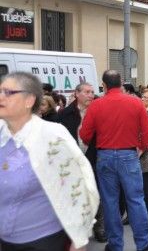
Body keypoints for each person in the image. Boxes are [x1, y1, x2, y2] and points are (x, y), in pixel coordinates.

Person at [0, 72, 99, 250]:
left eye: (8, 92)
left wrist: (79, 239)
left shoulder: (52, 135)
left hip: (44, 240)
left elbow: (78, 187)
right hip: (6, 241)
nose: (1, 97)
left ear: (29, 100)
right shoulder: (2, 135)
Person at [79, 70, 148, 251]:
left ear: (104, 85)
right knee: (136, 199)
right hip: (129, 155)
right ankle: (143, 242)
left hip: (105, 156)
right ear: (121, 83)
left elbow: (85, 135)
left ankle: (115, 244)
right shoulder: (135, 103)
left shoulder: (96, 105)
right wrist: (141, 147)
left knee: (110, 201)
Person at [57, 82, 107, 243]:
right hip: (72, 161)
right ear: (76, 93)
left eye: (92, 92)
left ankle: (99, 226)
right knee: (75, 195)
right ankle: (77, 228)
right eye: (87, 92)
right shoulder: (64, 115)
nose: (91, 95)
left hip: (94, 158)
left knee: (96, 192)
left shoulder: (99, 112)